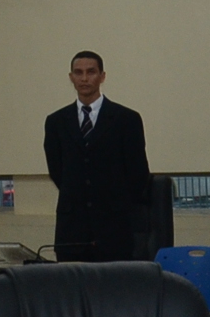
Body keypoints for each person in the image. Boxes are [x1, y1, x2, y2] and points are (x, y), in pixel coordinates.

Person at [42, 51, 150, 263]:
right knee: (71, 283)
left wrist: (115, 203)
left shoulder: (126, 119)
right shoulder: (56, 121)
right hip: (72, 229)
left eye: (91, 72)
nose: (84, 78)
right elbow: (57, 170)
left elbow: (138, 174)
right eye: (78, 73)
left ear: (102, 76)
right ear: (71, 77)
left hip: (113, 228)